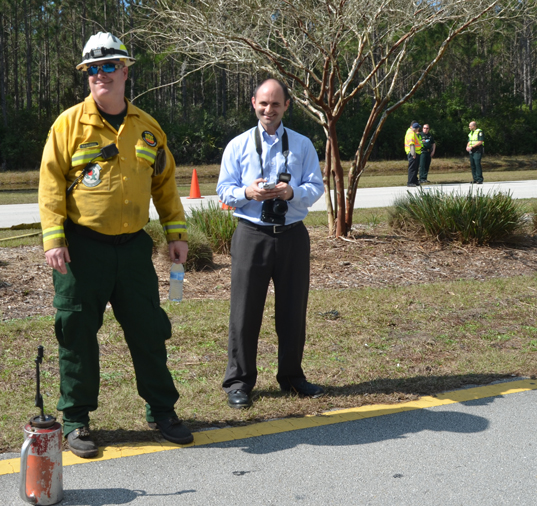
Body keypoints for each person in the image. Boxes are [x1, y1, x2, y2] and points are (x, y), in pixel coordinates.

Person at [38, 32, 193, 458]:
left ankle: (162, 411)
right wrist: (53, 239)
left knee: (148, 330)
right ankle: (76, 420)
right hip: (81, 249)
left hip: (133, 250)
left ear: (125, 70)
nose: (100, 75)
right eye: (92, 69)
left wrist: (176, 236)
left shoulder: (148, 128)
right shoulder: (68, 125)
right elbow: (50, 185)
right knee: (76, 334)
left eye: (109, 66)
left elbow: (165, 186)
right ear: (86, 76)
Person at [217, 78, 325, 409]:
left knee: (293, 311)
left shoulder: (303, 145)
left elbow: (316, 186)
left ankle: (292, 377)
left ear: (286, 106)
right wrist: (247, 192)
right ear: (253, 103)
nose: (269, 109)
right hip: (252, 234)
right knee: (244, 313)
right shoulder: (237, 146)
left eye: (276, 104)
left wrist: (292, 192)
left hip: (292, 235)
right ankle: (239, 382)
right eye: (263, 103)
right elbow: (223, 190)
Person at [404, 121, 422, 187]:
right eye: (418, 128)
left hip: (416, 152)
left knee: (415, 167)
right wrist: (413, 154)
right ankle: (410, 182)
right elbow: (411, 144)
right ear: (416, 128)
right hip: (413, 153)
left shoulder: (412, 133)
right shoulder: (411, 133)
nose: (418, 129)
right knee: (412, 168)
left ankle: (414, 180)